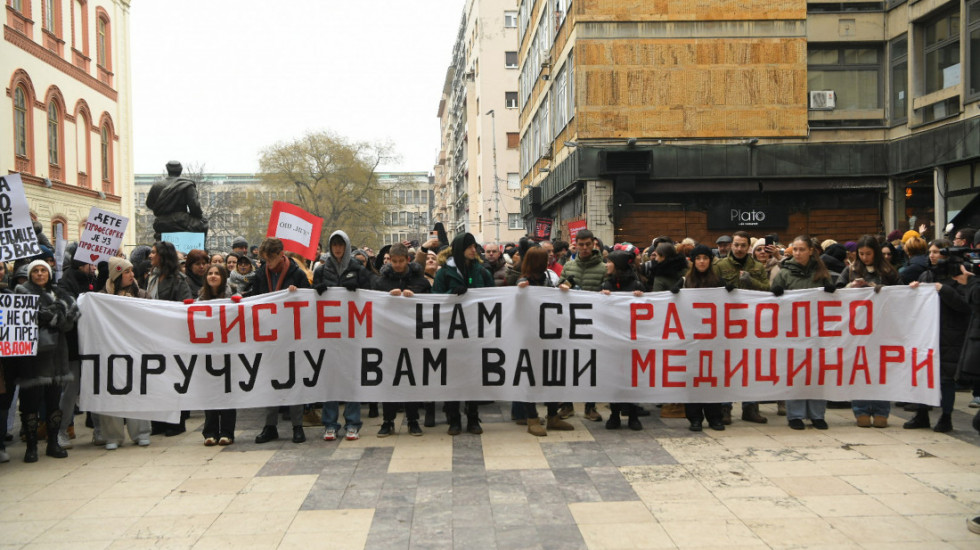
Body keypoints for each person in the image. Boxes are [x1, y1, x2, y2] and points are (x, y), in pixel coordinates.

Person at [13, 261, 78, 461]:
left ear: (49, 274)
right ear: (30, 274)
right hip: (33, 355)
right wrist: (54, 316)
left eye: (43, 271)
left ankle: (53, 443)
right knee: (30, 402)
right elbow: (25, 318)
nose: (40, 274)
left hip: (57, 355)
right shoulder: (21, 293)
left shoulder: (59, 295)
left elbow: (69, 321)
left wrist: (52, 316)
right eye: (36, 271)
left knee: (53, 401)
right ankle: (31, 447)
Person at [248, 238, 311, 444]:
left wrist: (298, 295)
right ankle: (270, 425)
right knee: (271, 381)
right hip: (269, 335)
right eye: (265, 260)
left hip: (292, 335)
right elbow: (254, 298)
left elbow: (308, 302)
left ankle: (297, 425)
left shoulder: (297, 274)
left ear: (281, 254)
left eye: (271, 259)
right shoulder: (260, 275)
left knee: (294, 379)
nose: (268, 263)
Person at [313, 230, 373, 441]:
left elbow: (370, 292)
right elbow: (312, 296)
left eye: (341, 245)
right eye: (334, 245)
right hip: (329, 334)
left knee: (350, 377)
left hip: (351, 333)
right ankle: (330, 423)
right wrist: (316, 290)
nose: (337, 249)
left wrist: (357, 288)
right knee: (330, 378)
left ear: (346, 246)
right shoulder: (321, 270)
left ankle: (352, 422)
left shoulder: (357, 268)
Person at [770, 236, 835, 430]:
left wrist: (832, 291)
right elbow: (772, 298)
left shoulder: (822, 272)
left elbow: (831, 304)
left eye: (801, 249)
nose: (797, 253)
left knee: (816, 372)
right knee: (796, 372)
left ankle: (817, 414)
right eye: (795, 249)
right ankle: (795, 414)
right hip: (794, 331)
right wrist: (777, 292)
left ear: (810, 251)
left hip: (817, 331)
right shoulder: (785, 273)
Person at [433, 233, 494, 435]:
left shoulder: (481, 272)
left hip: (475, 334)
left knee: (473, 377)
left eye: (474, 246)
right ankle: (454, 418)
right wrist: (451, 295)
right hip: (451, 336)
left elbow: (493, 298)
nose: (473, 250)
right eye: (469, 247)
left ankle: (473, 417)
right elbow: (434, 301)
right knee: (453, 377)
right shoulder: (443, 274)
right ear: (460, 248)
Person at [905, 241, 969, 432]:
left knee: (946, 379)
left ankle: (946, 417)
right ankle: (922, 414)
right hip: (926, 333)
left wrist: (943, 289)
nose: (932, 255)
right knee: (924, 375)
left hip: (950, 335)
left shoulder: (960, 276)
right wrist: (914, 290)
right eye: (930, 252)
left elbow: (964, 305)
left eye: (937, 252)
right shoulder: (926, 274)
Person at [838, 235, 901, 428]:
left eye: (868, 254)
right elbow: (837, 292)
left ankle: (882, 411)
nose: (865, 257)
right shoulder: (851, 270)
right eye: (861, 254)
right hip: (858, 328)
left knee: (881, 370)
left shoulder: (889, 271)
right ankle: (861, 410)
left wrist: (878, 289)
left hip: (882, 327)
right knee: (859, 370)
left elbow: (900, 292)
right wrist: (851, 287)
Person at [371, 243, 431, 437]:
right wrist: (387, 298)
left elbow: (430, 304)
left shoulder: (419, 281)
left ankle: (413, 420)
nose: (397, 265)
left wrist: (415, 297)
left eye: (400, 261)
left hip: (412, 337)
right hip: (389, 338)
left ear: (408, 260)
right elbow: (374, 307)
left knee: (410, 379)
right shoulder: (381, 282)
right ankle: (387, 421)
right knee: (389, 379)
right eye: (394, 261)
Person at [514, 246, 571, 436]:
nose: (548, 261)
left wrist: (564, 287)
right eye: (544, 259)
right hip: (530, 338)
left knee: (552, 376)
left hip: (550, 335)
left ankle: (553, 416)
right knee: (532, 377)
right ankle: (531, 418)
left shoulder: (549, 278)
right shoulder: (524, 281)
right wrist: (521, 290)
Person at [97, 257, 152, 448]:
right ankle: (113, 435)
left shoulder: (143, 295)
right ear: (117, 275)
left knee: (138, 390)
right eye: (127, 272)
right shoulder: (101, 298)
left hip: (136, 350)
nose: (131, 275)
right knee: (111, 391)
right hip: (111, 352)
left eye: (132, 271)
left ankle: (141, 432)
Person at [556, 229, 607, 422]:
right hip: (571, 324)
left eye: (588, 244)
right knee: (569, 366)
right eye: (581, 244)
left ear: (594, 244)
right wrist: (563, 286)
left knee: (591, 366)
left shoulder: (603, 268)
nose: (584, 248)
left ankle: (590, 406)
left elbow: (608, 290)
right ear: (575, 244)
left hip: (594, 325)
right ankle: (567, 405)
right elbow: (560, 289)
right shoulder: (569, 266)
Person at [146, 241, 193, 436]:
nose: (150, 256)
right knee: (156, 380)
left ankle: (176, 422)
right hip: (153, 336)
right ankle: (158, 422)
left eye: (154, 252)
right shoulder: (152, 278)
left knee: (173, 380)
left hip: (172, 337)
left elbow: (185, 307)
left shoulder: (178, 280)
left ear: (163, 256)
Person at [678, 244, 727, 431]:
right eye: (698, 258)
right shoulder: (685, 281)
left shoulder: (718, 282)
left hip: (713, 339)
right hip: (691, 339)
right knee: (693, 379)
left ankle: (715, 417)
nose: (701, 262)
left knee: (712, 379)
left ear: (710, 260)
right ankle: (695, 418)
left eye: (705, 258)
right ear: (692, 261)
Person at [601, 247, 645, 431]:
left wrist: (642, 298)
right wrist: (601, 298)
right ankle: (614, 414)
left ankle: (633, 415)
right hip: (613, 341)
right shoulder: (606, 285)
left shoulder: (637, 285)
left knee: (632, 379)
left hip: (632, 341)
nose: (606, 265)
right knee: (615, 379)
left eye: (609, 262)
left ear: (617, 265)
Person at [199, 265, 237, 446]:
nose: (213, 276)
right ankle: (210, 431)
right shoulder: (200, 299)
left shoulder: (234, 296)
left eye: (216, 273)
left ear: (223, 277)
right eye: (210, 273)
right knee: (210, 391)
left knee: (228, 391)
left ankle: (227, 432)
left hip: (228, 350)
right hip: (208, 350)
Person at [145, 160, 209, 240]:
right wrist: (199, 217)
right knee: (204, 223)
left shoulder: (157, 186)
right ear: (180, 170)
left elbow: (149, 204)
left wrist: (162, 212)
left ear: (167, 169)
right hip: (182, 220)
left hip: (161, 222)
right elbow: (194, 206)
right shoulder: (187, 184)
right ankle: (198, 250)